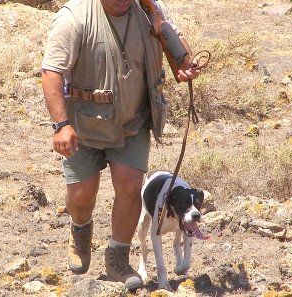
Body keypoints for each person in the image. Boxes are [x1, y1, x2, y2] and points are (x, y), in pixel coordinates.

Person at [41, 0, 200, 290]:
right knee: (81, 196)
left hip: (132, 121)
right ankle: (80, 229)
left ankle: (118, 260)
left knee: (129, 188)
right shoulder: (74, 17)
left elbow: (180, 54)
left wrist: (183, 64)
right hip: (84, 125)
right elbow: (51, 73)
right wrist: (61, 125)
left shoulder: (149, 9)